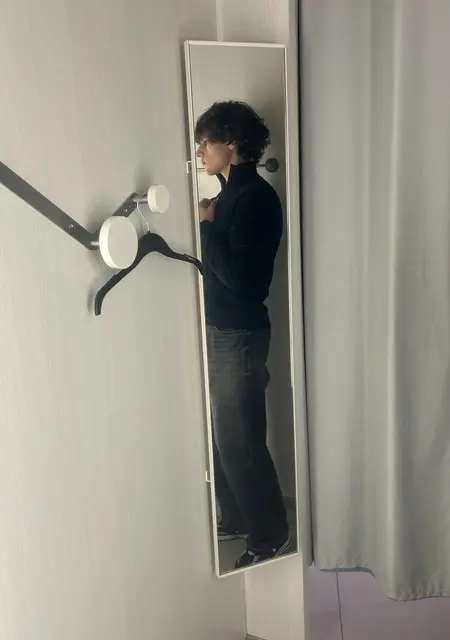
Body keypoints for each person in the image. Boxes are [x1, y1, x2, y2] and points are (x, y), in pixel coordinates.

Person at [195, 100, 291, 569]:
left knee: (241, 441)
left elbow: (243, 279)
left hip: (240, 333)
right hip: (223, 329)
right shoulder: (227, 196)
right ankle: (235, 516)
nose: (199, 152)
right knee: (223, 435)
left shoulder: (254, 198)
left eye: (205, 142)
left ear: (231, 143)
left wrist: (207, 229)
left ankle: (271, 535)